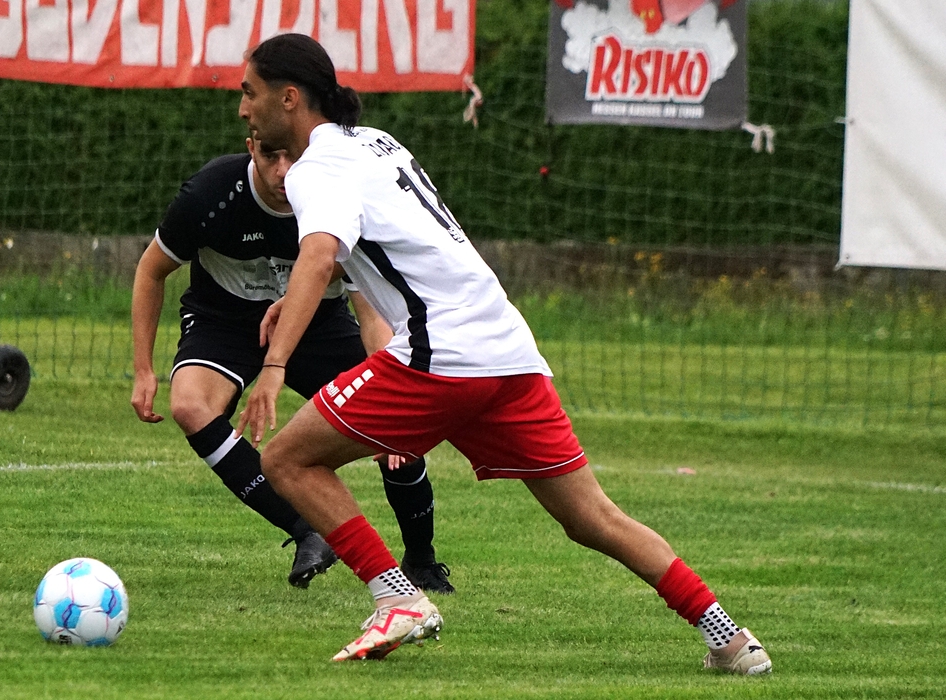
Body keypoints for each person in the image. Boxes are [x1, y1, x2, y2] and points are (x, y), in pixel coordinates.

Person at [235, 33, 771, 673]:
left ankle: (397, 597)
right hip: (507, 349)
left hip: (443, 353)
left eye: (250, 92)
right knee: (593, 517)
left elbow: (322, 255)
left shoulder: (315, 168)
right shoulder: (374, 142)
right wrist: (295, 298)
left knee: (287, 459)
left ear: (289, 97)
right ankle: (729, 638)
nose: (243, 108)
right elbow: (392, 244)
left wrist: (274, 367)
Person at [130, 133, 454, 594]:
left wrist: (391, 397)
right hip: (223, 320)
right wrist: (144, 369)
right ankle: (308, 529)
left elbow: (371, 315)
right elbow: (151, 270)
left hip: (316, 323)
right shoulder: (209, 194)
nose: (282, 171)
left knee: (393, 418)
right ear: (251, 148)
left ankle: (421, 560)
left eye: (293, 157)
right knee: (190, 405)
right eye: (270, 156)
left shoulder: (336, 201)